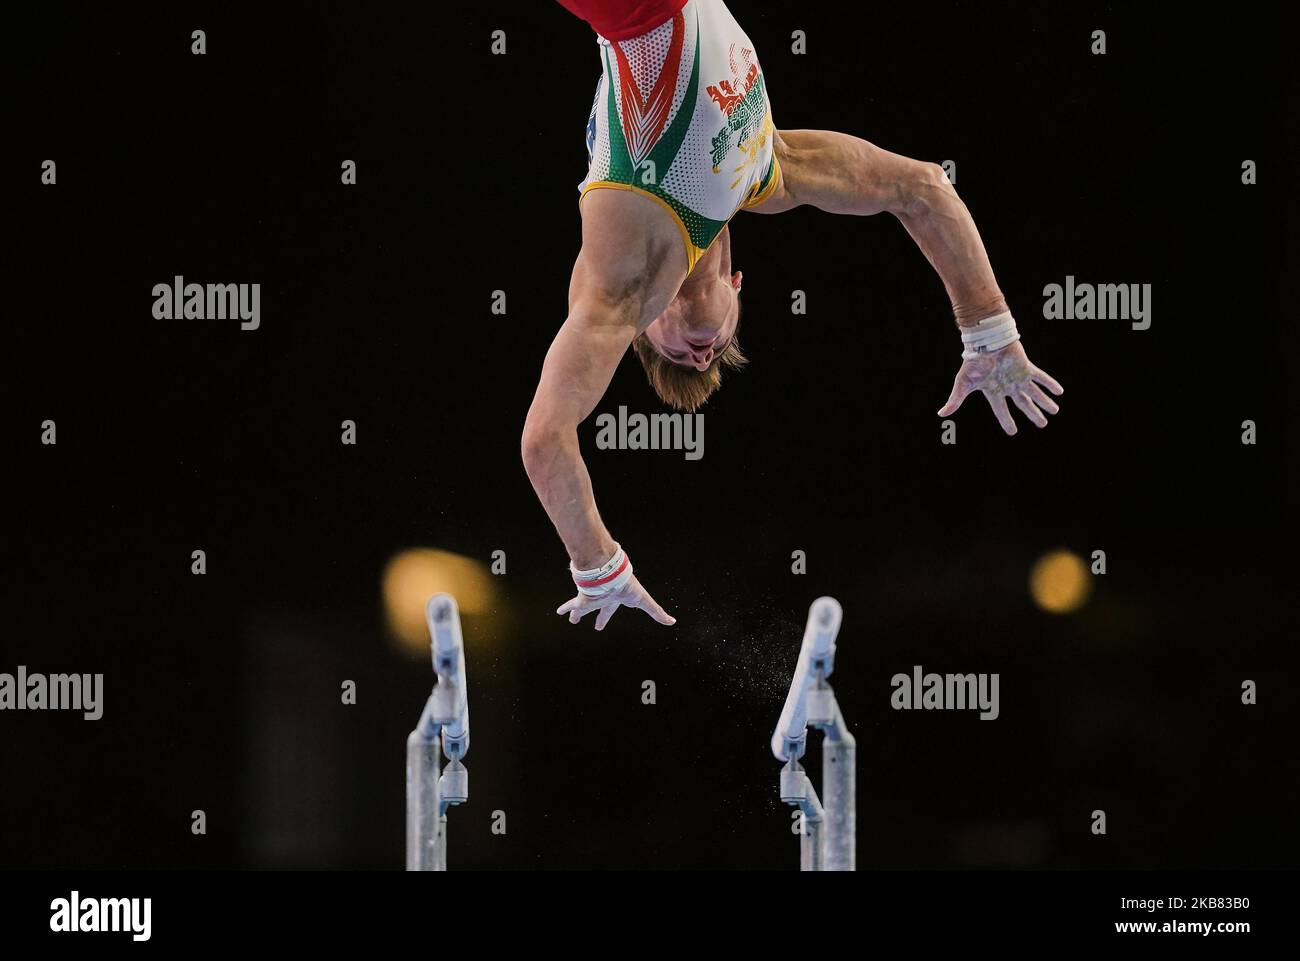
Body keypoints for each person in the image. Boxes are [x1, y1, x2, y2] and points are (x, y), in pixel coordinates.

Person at [523, 0, 1064, 630]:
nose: (703, 351)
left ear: (644, 328)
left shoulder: (620, 291)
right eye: (720, 349)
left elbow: (545, 439)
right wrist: (988, 329)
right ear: (738, 287)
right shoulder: (772, 172)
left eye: (680, 353)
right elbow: (921, 188)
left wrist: (597, 565)